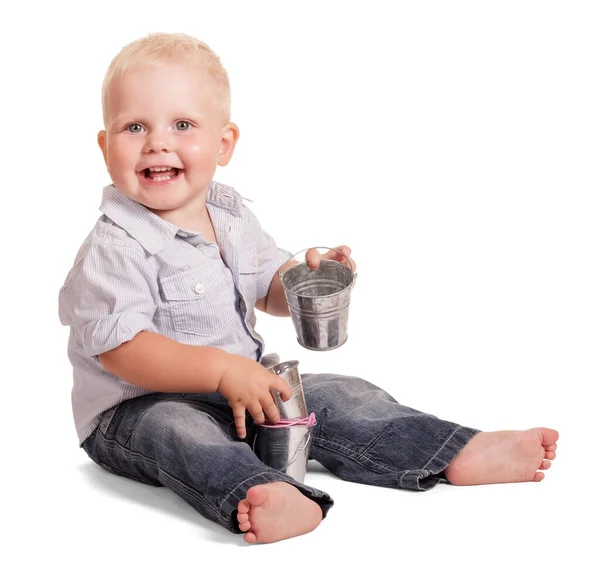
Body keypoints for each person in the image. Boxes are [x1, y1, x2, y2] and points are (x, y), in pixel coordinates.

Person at [58, 32, 559, 544]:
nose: (157, 142)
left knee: (341, 394)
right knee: (179, 431)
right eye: (134, 126)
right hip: (135, 411)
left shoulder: (229, 216)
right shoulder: (115, 246)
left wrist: (303, 280)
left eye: (182, 125)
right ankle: (263, 492)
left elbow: (266, 289)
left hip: (241, 390)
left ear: (223, 143)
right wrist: (223, 371)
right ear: (105, 146)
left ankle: (449, 450)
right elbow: (123, 352)